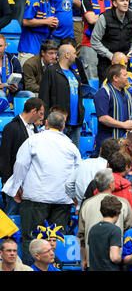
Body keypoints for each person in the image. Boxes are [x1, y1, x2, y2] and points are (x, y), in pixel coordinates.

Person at [2, 111, 80, 264]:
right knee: (53, 241)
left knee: (32, 239)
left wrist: (15, 188)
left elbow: (21, 165)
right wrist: (74, 197)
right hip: (61, 200)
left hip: (36, 198)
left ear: (46, 124)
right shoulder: (71, 146)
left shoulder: (34, 140)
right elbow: (78, 173)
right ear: (63, 126)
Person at [77, 168, 132, 271]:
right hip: (114, 263)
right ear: (110, 185)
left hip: (92, 262)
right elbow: (129, 229)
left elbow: (81, 236)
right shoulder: (122, 203)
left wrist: (84, 259)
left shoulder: (86, 204)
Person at [0, 97, 44, 215]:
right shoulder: (11, 127)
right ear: (34, 111)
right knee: (12, 214)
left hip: (29, 183)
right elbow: (4, 155)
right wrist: (6, 180)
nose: (41, 117)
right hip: (14, 182)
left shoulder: (34, 128)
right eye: (40, 113)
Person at [38, 43, 85, 147]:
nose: (76, 56)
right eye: (74, 53)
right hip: (58, 123)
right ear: (67, 55)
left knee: (72, 155)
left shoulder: (75, 73)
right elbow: (44, 96)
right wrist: (45, 118)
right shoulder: (51, 71)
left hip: (76, 124)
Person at [91, 0, 132, 85]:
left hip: (126, 60)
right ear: (114, 3)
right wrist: (111, 56)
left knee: (127, 89)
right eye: (122, 0)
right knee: (106, 91)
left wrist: (131, 52)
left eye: (127, 0)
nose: (126, 3)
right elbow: (94, 41)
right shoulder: (104, 17)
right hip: (107, 62)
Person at [93, 64, 132, 155]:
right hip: (108, 143)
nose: (128, 77)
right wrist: (123, 125)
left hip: (125, 143)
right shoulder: (103, 93)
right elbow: (103, 118)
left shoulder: (128, 94)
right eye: (125, 75)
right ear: (115, 78)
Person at [17, 0, 61, 66]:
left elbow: (48, 25)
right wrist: (46, 21)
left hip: (43, 50)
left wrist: (53, 25)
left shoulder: (51, 2)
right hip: (29, 49)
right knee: (28, 78)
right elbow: (25, 21)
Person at [65, 137, 121, 210]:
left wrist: (77, 202)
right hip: (101, 210)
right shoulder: (109, 171)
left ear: (100, 150)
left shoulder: (84, 163)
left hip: (82, 208)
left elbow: (68, 184)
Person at [80, 0, 112, 80]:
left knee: (107, 76)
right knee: (91, 78)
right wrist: (109, 16)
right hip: (89, 44)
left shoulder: (111, 2)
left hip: (107, 44)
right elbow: (91, 19)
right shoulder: (86, 0)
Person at [87, 195, 123, 271]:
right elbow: (114, 257)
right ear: (117, 213)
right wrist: (123, 259)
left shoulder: (93, 229)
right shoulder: (115, 230)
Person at [0, 34, 33, 101]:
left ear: (5, 46)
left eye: (0, 46)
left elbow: (21, 83)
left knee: (30, 95)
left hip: (12, 93)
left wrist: (16, 88)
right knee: (1, 95)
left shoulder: (13, 60)